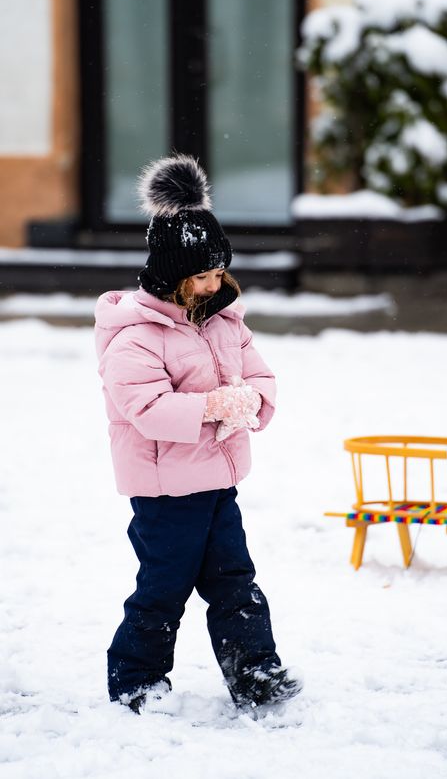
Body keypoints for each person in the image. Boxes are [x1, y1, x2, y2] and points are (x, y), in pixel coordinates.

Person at [94, 154, 301, 714]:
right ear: (171, 276)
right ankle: (137, 681)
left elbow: (260, 375)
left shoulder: (225, 321)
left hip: (217, 484)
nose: (215, 284)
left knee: (236, 580)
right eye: (202, 276)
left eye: (219, 272)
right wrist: (213, 405)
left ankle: (255, 671)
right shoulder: (133, 339)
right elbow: (145, 408)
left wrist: (252, 401)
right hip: (164, 493)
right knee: (164, 589)